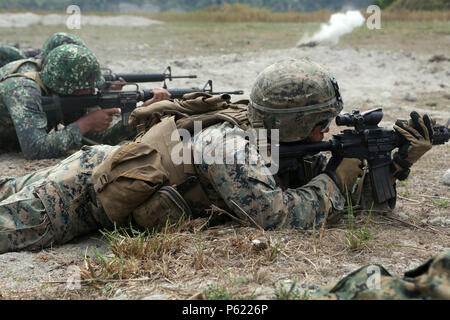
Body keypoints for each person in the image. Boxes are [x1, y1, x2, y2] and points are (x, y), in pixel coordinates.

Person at [0, 58, 434, 253]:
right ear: (295, 122)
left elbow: (349, 205)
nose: (327, 131)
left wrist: (396, 164)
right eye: (321, 121)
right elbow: (282, 217)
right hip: (74, 198)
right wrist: (338, 179)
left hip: (97, 167)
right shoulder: (230, 148)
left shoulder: (273, 138)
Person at [0, 43, 170, 159]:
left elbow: (103, 138)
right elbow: (35, 148)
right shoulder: (21, 89)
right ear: (66, 86)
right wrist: (84, 124)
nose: (93, 91)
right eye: (87, 87)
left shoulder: (63, 92)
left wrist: (141, 113)